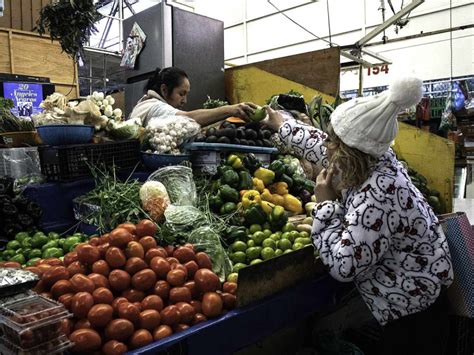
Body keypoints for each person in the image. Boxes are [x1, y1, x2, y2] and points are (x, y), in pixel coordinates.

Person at [264, 77, 454, 355]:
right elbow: (322, 146)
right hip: (412, 292)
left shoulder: (378, 193)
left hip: (412, 312)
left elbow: (345, 266)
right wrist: (281, 123)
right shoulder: (375, 157)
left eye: (334, 142)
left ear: (349, 153)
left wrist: (325, 205)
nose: (327, 146)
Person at [129, 67, 257, 127]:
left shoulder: (144, 104)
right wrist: (231, 109)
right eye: (181, 94)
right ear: (164, 90)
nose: (185, 100)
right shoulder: (154, 107)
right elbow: (188, 119)